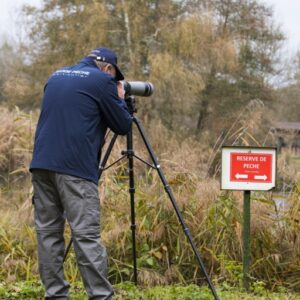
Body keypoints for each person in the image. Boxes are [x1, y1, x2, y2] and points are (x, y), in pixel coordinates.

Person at [30, 47, 132, 300]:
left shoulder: (56, 76)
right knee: (85, 235)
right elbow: (122, 124)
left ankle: (55, 295)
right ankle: (100, 296)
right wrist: (120, 97)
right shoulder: (103, 81)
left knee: (48, 234)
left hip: (42, 164)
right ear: (108, 68)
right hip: (74, 169)